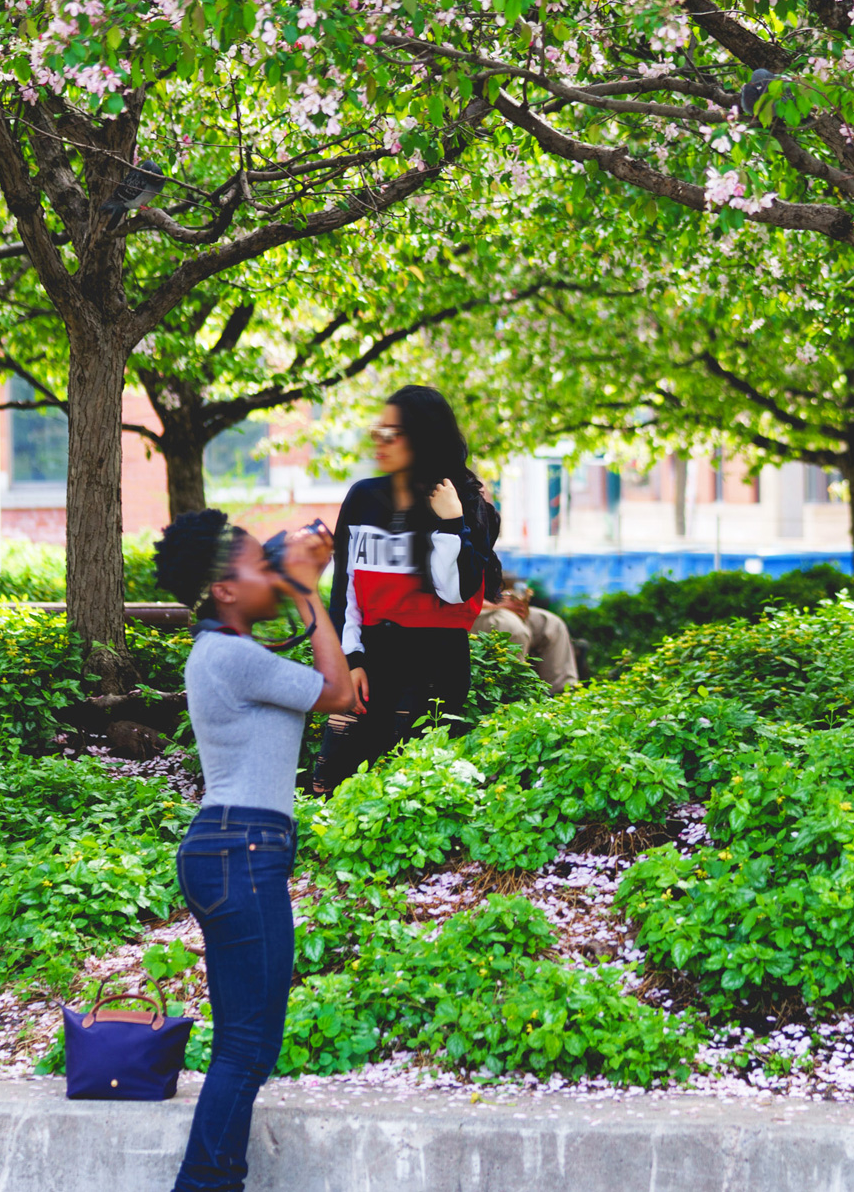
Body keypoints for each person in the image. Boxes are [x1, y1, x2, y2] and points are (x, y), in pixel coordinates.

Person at [153, 510, 355, 1192]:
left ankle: (214, 1177)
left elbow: (332, 690)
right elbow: (337, 692)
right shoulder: (233, 655)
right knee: (246, 1046)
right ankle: (206, 1182)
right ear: (223, 591)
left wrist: (295, 580)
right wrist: (305, 588)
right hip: (242, 849)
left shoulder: (231, 654)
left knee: (246, 1045)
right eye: (253, 564)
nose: (266, 568)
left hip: (232, 848)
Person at [312, 386, 501, 793]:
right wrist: (352, 659)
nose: (381, 441)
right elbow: (345, 591)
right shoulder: (363, 498)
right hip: (371, 661)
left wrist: (450, 524)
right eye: (378, 431)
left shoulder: (466, 504)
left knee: (405, 792)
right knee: (330, 784)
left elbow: (455, 594)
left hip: (434, 667)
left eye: (392, 433)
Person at [471, 575, 579, 693]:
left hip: (487, 603)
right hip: (461, 610)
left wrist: (515, 601)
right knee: (509, 626)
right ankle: (509, 698)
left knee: (549, 623)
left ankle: (562, 696)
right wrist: (494, 605)